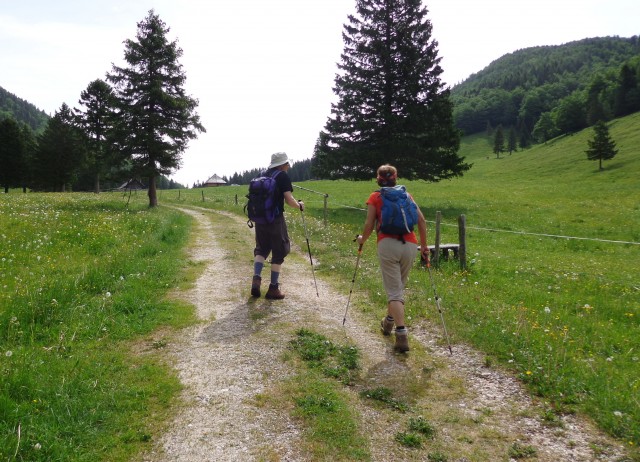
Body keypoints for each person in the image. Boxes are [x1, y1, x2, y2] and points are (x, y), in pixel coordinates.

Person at [356, 164, 429, 352]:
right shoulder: (406, 195)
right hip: (410, 245)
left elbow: (369, 223)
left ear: (378, 178)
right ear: (396, 177)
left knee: (395, 292)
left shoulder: (376, 197)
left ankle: (402, 333)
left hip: (387, 245)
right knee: (398, 288)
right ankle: (388, 322)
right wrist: (425, 246)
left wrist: (362, 239)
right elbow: (421, 221)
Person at [251, 152, 304, 300]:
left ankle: (256, 279)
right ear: (282, 165)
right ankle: (273, 288)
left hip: (260, 219)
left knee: (261, 249)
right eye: (287, 164)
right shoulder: (282, 176)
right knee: (279, 250)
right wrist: (299, 205)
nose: (288, 166)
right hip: (275, 219)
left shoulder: (262, 174)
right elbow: (289, 200)